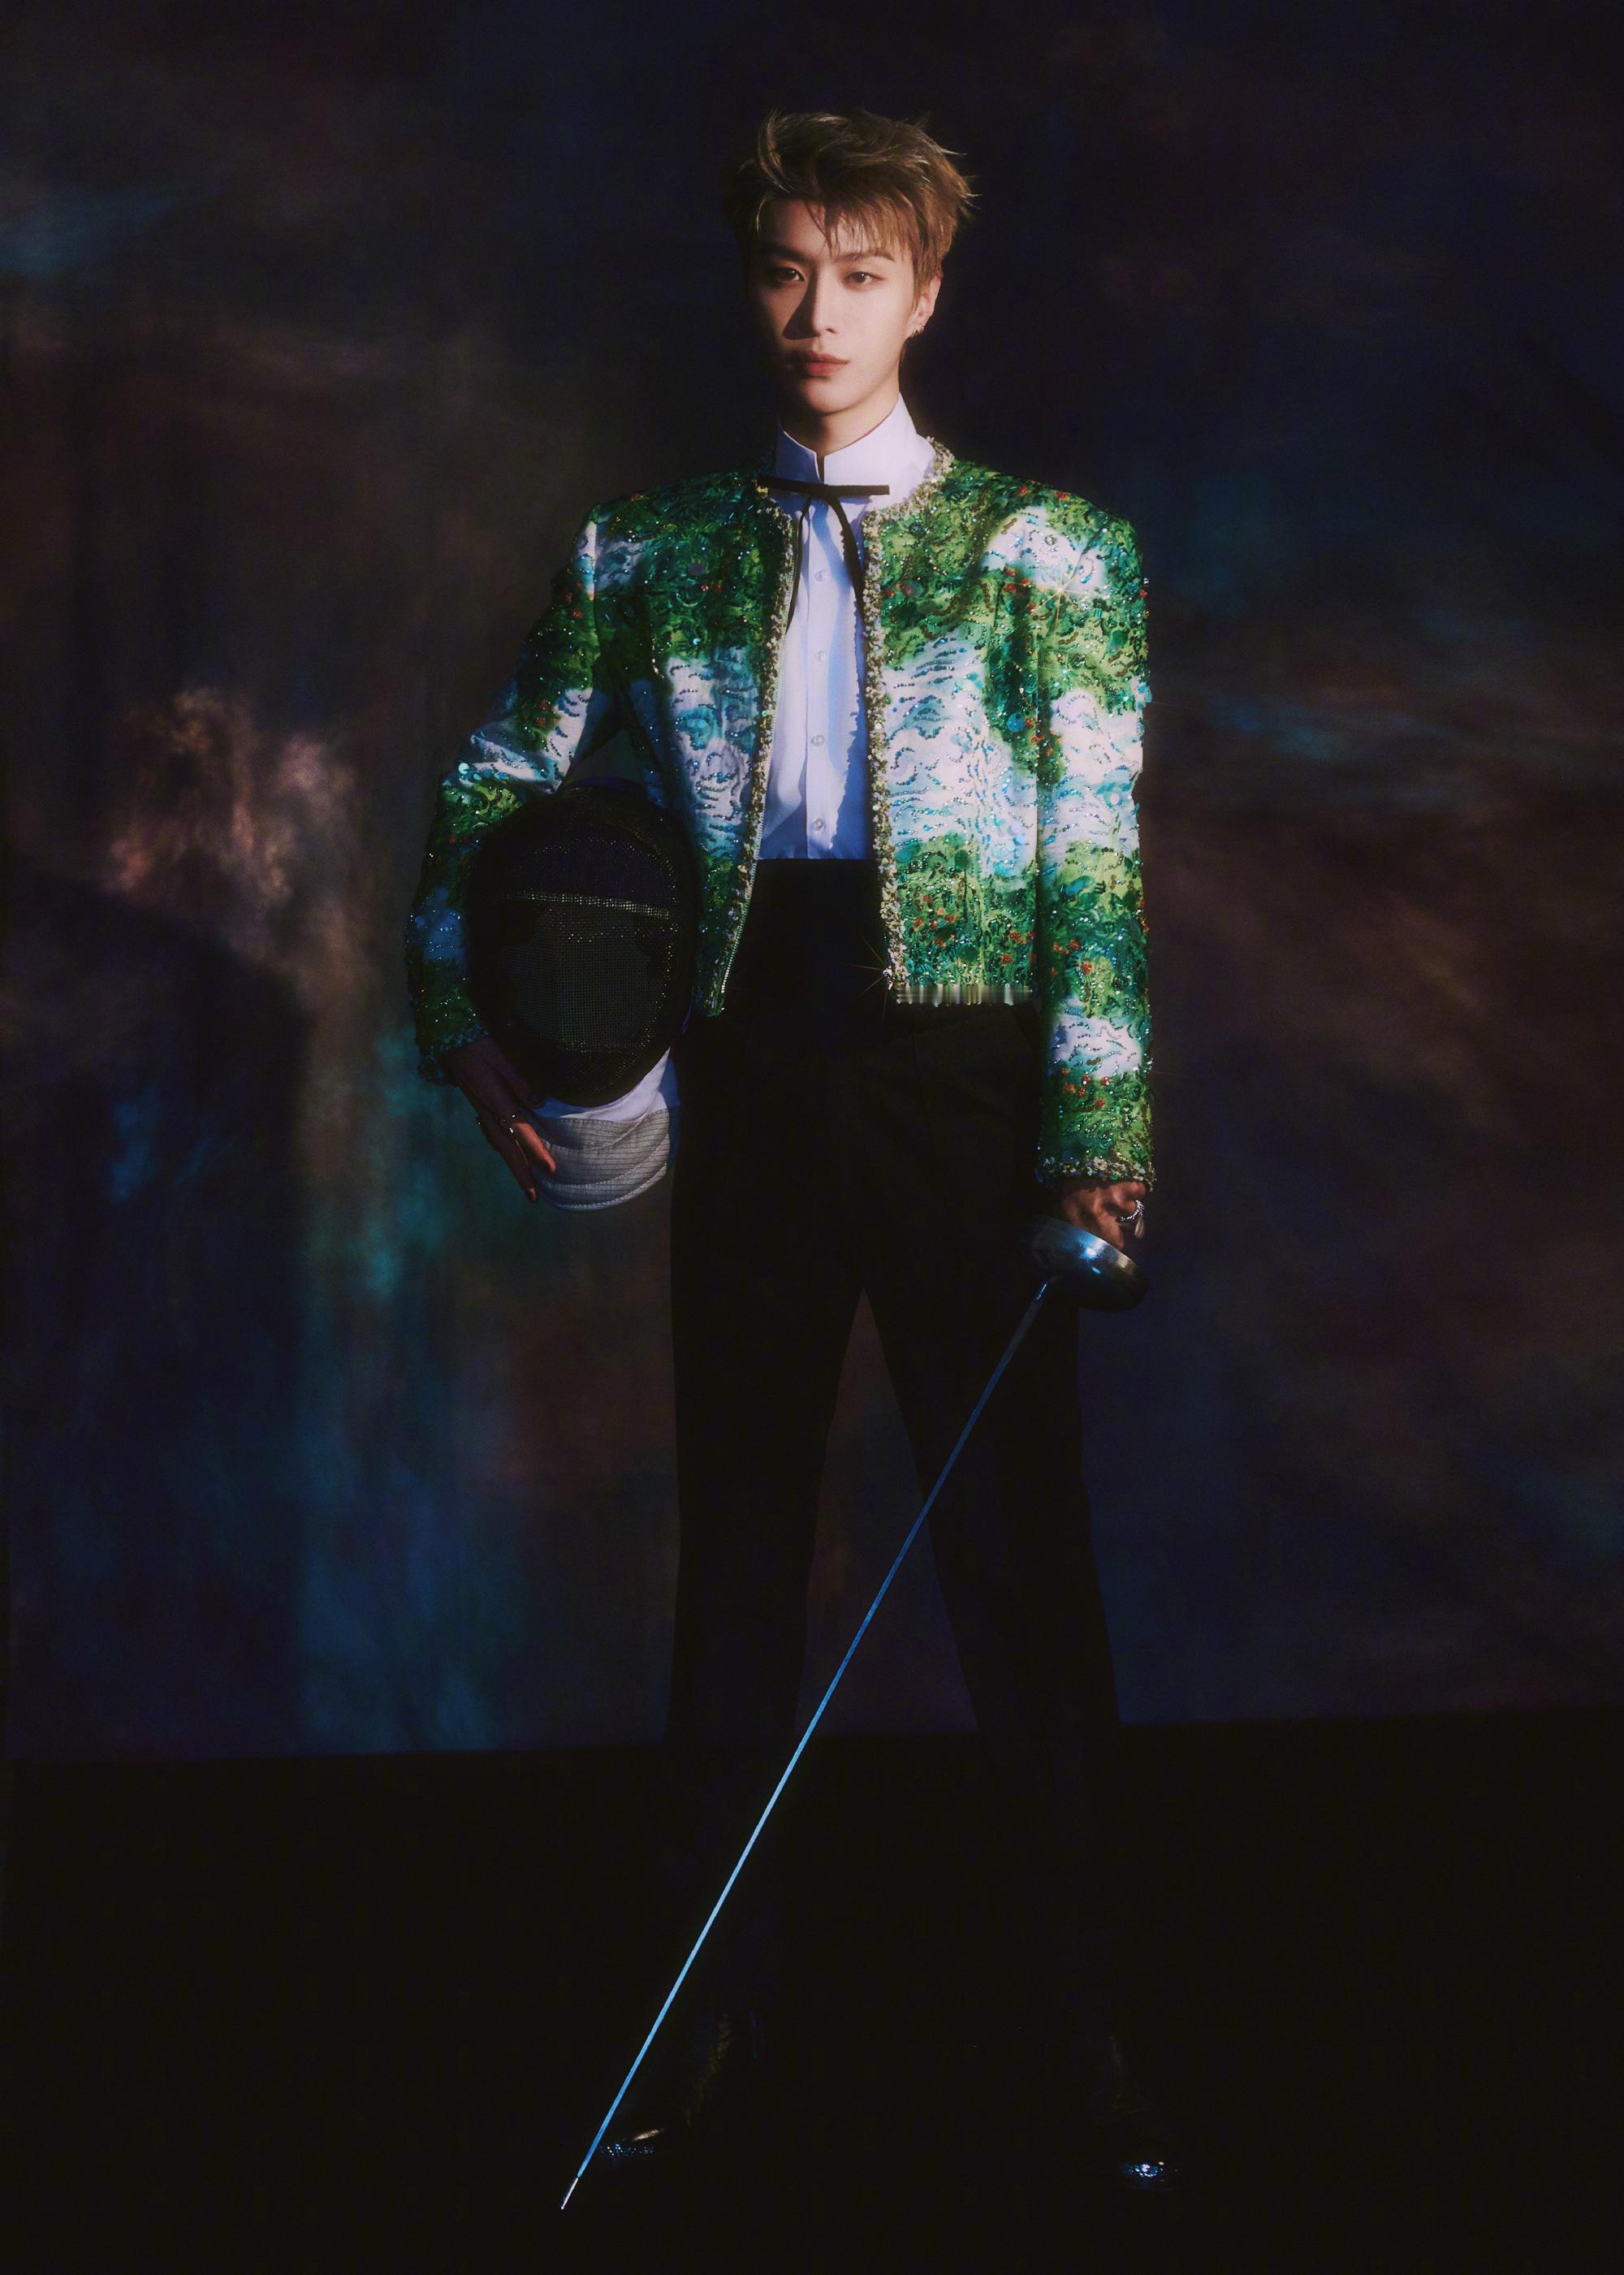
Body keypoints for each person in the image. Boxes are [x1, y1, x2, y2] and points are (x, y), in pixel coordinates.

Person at [404, 104, 1173, 2191]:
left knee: (1021, 1561)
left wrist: (1096, 1128)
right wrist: (461, 1012)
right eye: (783, 271)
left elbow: (1092, 867)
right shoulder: (642, 548)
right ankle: (701, 2011)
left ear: (925, 294)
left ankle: (1091, 2019)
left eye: (859, 275)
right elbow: (493, 783)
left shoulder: (1056, 554)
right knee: (737, 1555)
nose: (816, 313)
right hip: (745, 1072)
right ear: (750, 286)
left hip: (968, 1086)